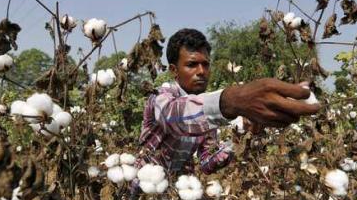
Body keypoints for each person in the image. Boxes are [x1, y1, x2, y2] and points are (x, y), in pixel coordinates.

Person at [137, 28, 320, 175]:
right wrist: (233, 101)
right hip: (141, 193)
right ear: (174, 70)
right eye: (192, 64)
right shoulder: (160, 97)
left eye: (206, 64)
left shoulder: (206, 116)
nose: (201, 71)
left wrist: (238, 139)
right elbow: (174, 118)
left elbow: (208, 163)